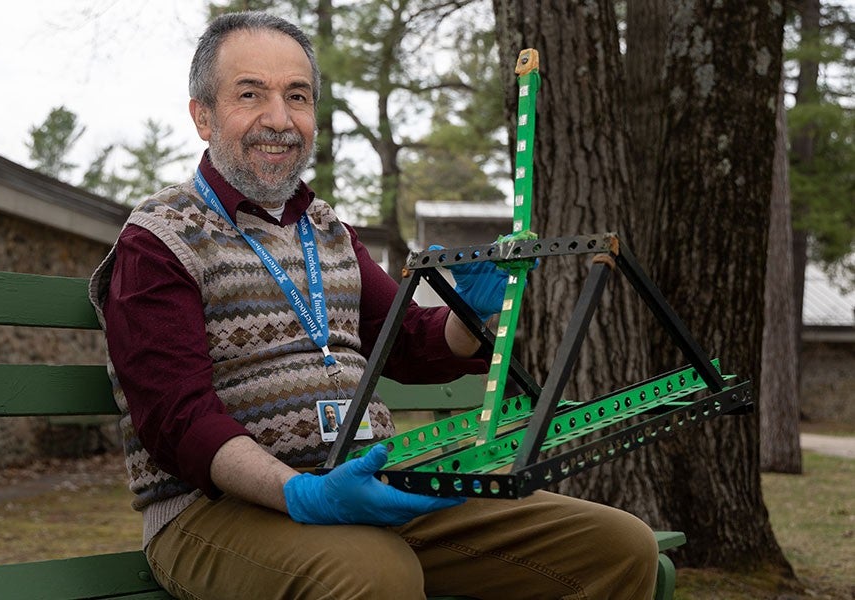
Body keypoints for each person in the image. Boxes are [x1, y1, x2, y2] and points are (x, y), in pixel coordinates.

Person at [89, 11, 659, 599]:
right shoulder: (159, 240)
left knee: (618, 548)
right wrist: (300, 493)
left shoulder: (326, 228)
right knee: (377, 573)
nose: (280, 119)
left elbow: (405, 342)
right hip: (215, 511)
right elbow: (177, 420)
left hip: (372, 485)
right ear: (202, 116)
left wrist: (469, 317)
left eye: (298, 96)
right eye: (250, 94)